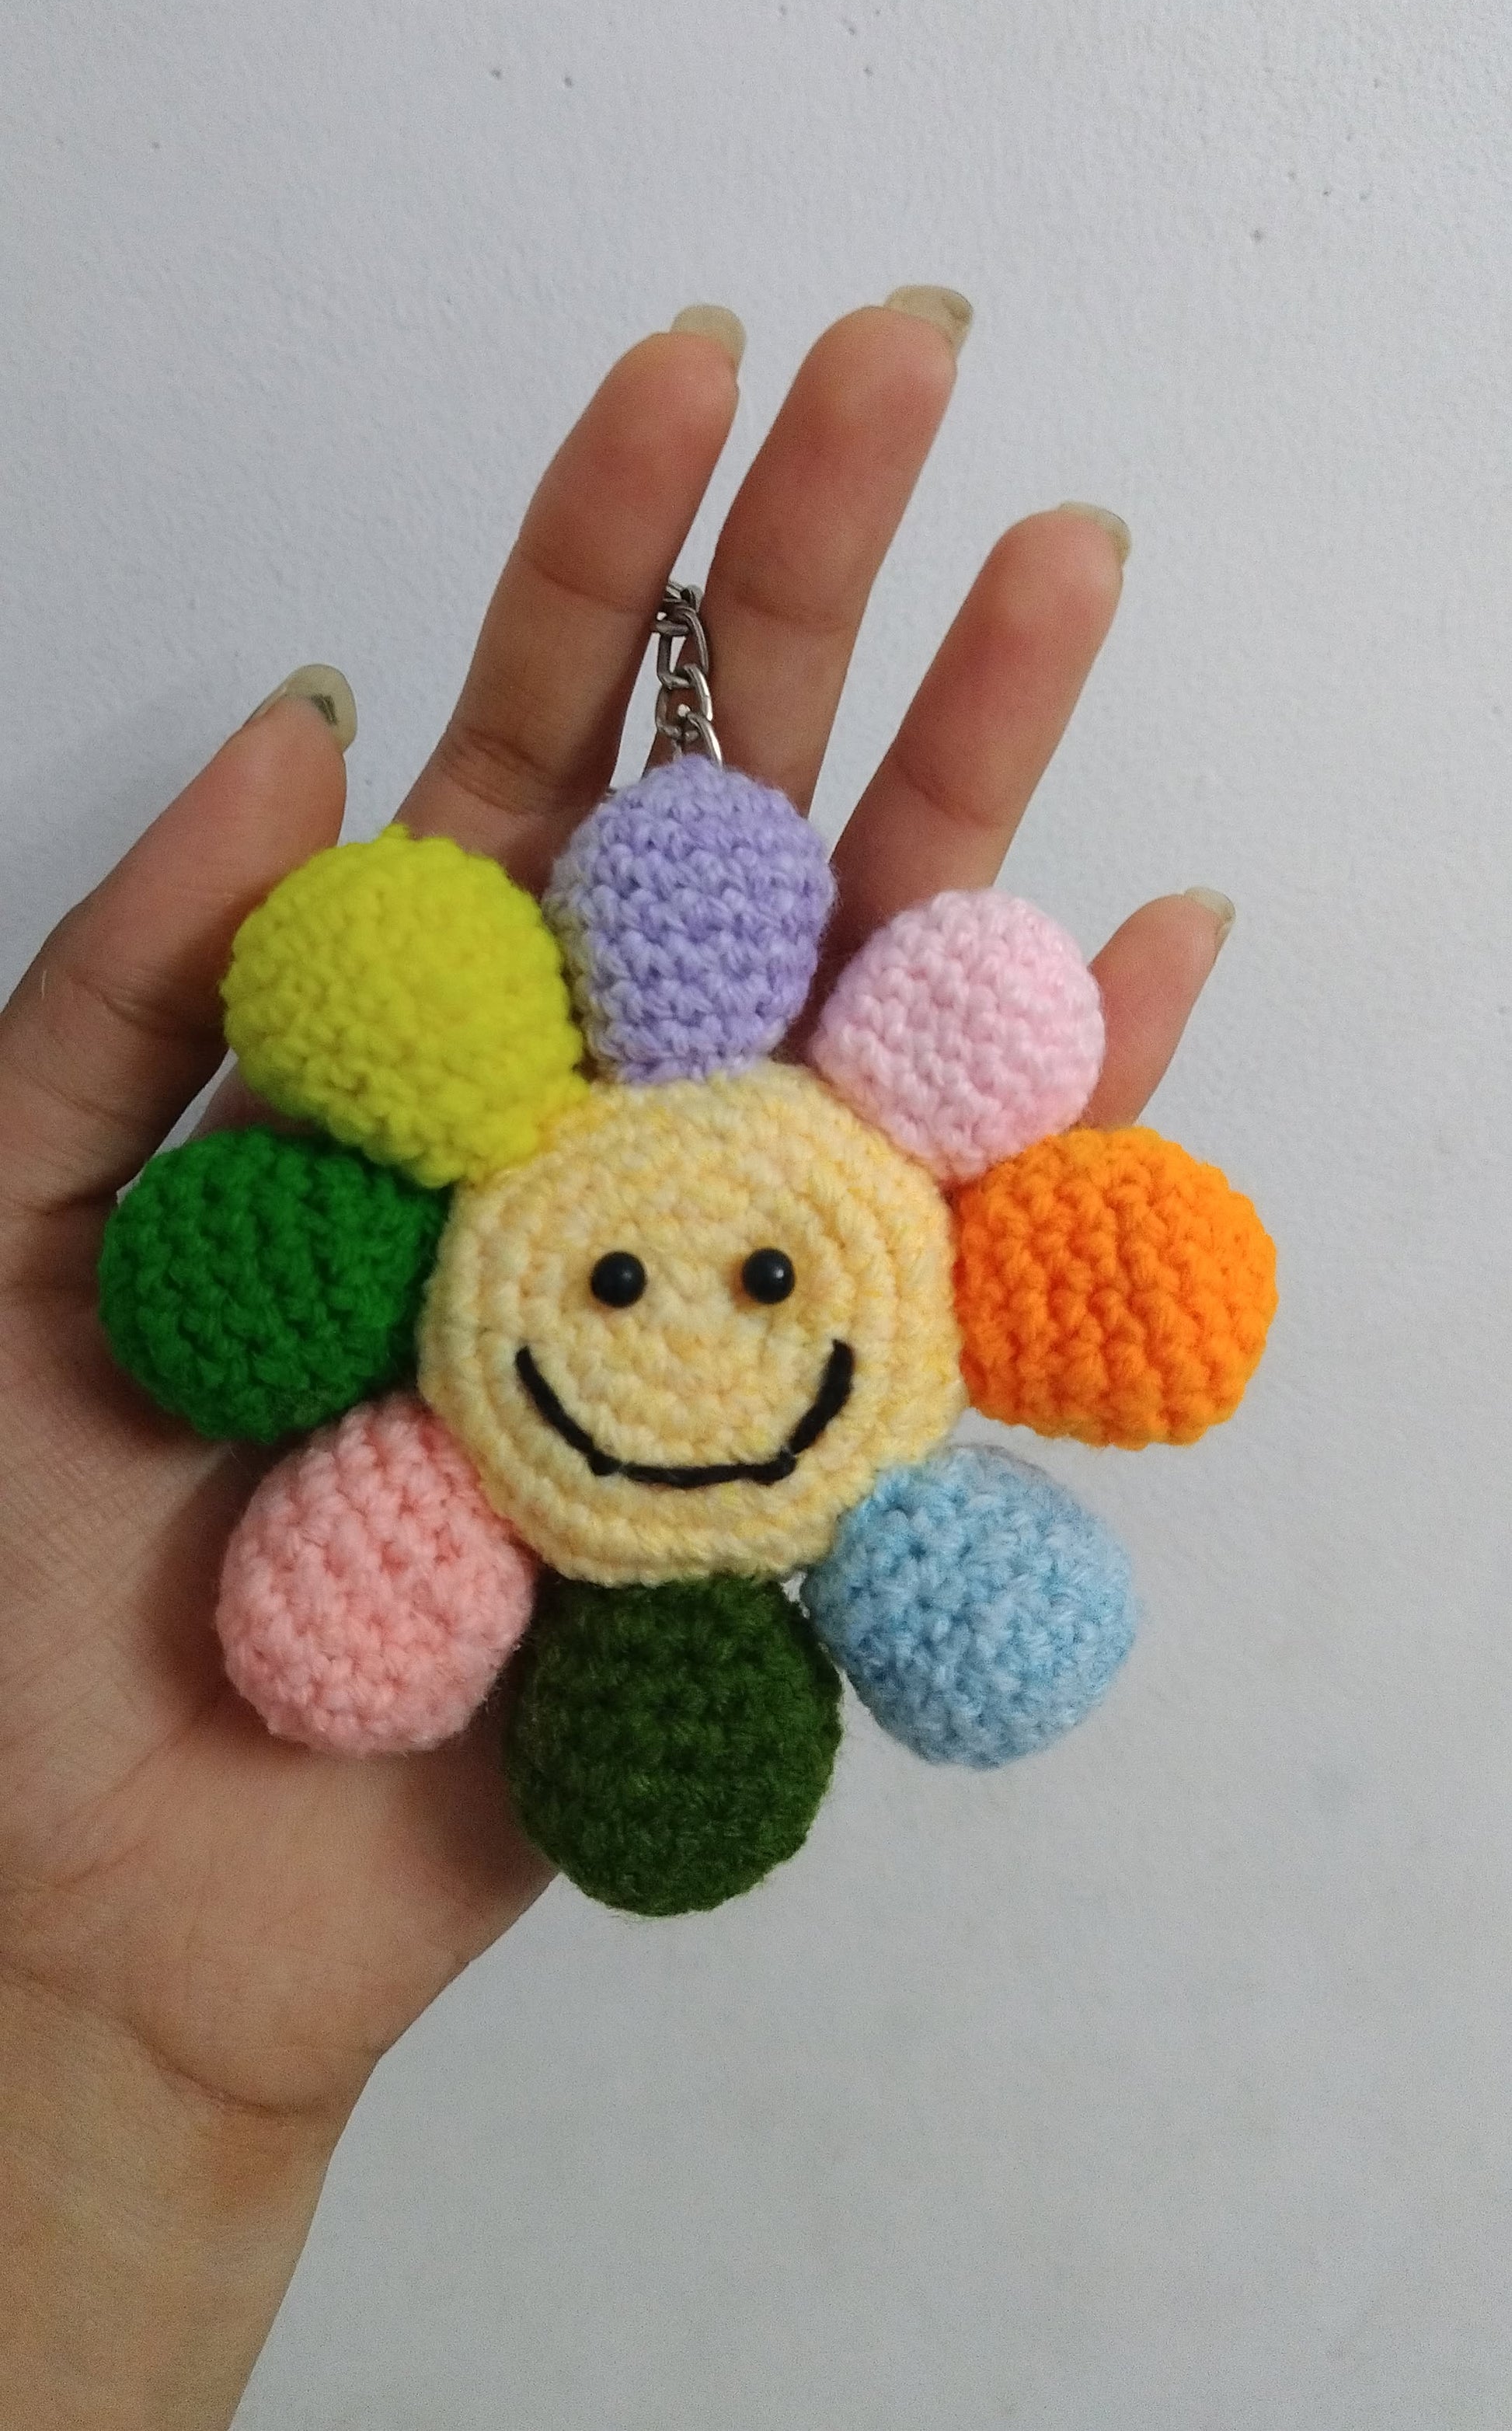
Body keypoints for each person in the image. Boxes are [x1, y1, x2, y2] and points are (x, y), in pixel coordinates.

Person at [0, 293, 1231, 2428]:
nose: (688, 1327)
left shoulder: (866, 1266)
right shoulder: (457, 1329)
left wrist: (85, 2059)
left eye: (756, 1286)